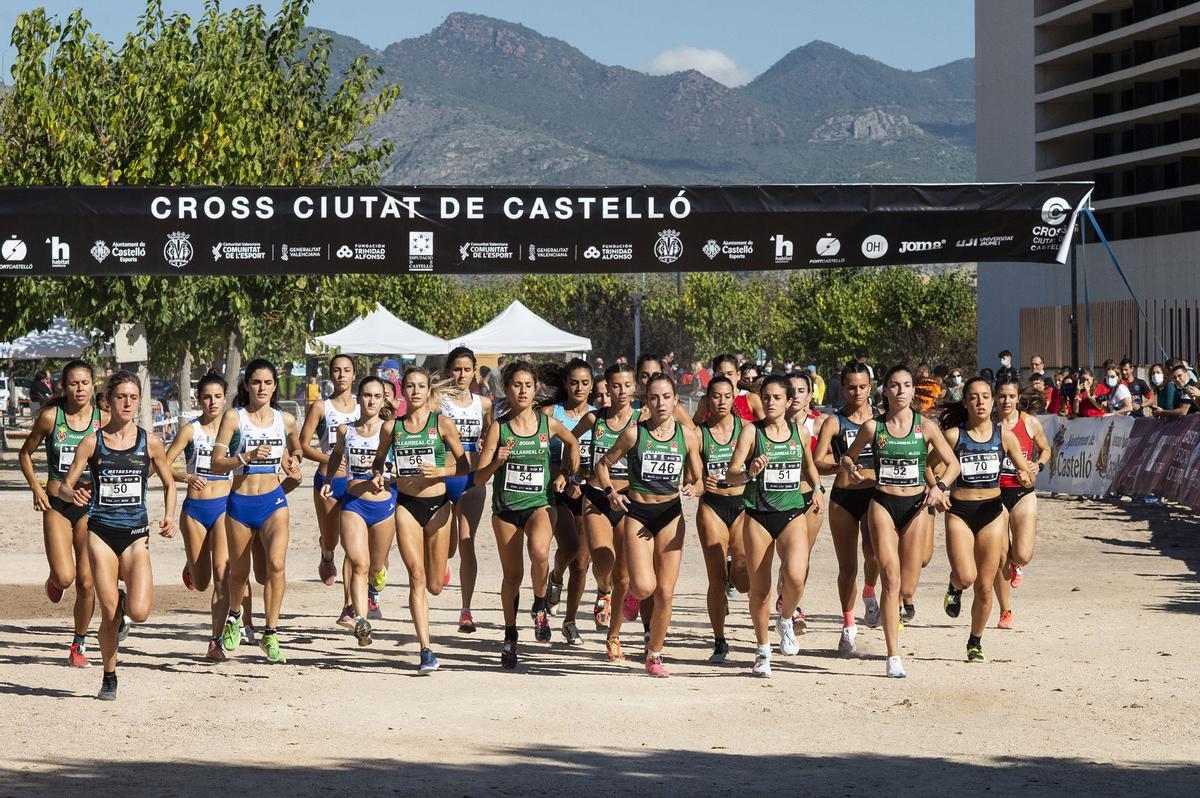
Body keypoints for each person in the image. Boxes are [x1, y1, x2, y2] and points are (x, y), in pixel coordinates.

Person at [58, 371, 177, 700]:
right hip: (100, 532)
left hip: (137, 534)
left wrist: (169, 516)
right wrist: (73, 494)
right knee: (109, 614)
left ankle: (126, 603)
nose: (127, 403)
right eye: (121, 397)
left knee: (139, 613)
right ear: (109, 401)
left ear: (139, 402)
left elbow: (169, 483)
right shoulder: (92, 442)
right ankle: (109, 675)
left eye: (133, 398)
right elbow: (66, 485)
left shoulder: (149, 442)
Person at [839, 365, 961, 678]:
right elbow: (848, 457)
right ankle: (893, 655)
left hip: (916, 505)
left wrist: (939, 487)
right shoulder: (872, 427)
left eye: (907, 385)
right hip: (882, 503)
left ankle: (898, 612)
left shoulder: (927, 426)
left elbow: (953, 465)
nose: (901, 391)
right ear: (886, 390)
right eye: (895, 385)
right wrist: (852, 469)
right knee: (890, 579)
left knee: (907, 586)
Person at [594, 373, 704, 677]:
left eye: (666, 397)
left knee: (666, 593)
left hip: (671, 514)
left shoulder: (688, 436)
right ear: (647, 401)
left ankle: (654, 654)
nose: (660, 403)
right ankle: (633, 594)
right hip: (639, 514)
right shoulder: (634, 434)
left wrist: (696, 487)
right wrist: (610, 492)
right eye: (654, 397)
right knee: (644, 586)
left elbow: (699, 478)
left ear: (676, 400)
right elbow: (603, 464)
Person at [474, 361, 579, 670]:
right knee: (512, 576)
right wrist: (496, 462)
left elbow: (572, 442)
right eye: (516, 385)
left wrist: (567, 475)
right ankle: (510, 636)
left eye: (528, 385)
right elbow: (479, 478)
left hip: (540, 504)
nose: (522, 390)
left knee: (540, 552)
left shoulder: (549, 425)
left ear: (537, 390)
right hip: (506, 511)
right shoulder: (499, 427)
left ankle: (540, 605)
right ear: (507, 389)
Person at [726, 375, 823, 677]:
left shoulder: (800, 433)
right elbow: (731, 473)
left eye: (776, 398)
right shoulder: (751, 432)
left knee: (795, 578)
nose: (770, 403)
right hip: (758, 514)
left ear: (788, 400)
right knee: (761, 588)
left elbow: (808, 465)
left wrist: (818, 488)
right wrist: (748, 472)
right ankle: (763, 650)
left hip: (793, 512)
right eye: (765, 397)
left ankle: (786, 619)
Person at [373, 368, 469, 673]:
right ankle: (426, 649)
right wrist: (380, 476)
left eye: (421, 386)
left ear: (429, 391)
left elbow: (466, 465)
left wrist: (440, 472)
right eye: (410, 386)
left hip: (439, 505)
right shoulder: (392, 428)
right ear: (402, 391)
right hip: (406, 505)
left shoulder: (442, 424)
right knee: (416, 577)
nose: (415, 391)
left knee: (435, 586)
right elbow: (379, 464)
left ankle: (441, 566)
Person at [211, 359, 303, 664]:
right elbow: (216, 462)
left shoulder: (285, 420)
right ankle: (235, 615)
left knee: (276, 565)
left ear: (275, 385)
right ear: (247, 386)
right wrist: (244, 456)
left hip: (274, 502)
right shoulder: (234, 418)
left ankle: (271, 632)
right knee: (239, 573)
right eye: (256, 382)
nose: (261, 388)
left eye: (267, 382)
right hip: (240, 502)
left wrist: (294, 460)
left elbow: (296, 448)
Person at [938, 377, 1034, 663]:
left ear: (993, 401)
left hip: (992, 512)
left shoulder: (1004, 436)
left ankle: (975, 641)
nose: (980, 402)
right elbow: (928, 466)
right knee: (966, 576)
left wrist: (1026, 474)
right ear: (966, 402)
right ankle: (954, 586)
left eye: (985, 397)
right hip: (960, 512)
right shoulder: (954, 436)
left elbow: (1026, 471)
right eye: (974, 397)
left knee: (984, 583)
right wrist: (939, 490)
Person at [18, 360, 104, 668]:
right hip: (56, 502)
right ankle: (54, 579)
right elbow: (24, 453)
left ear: (93, 385)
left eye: (84, 383)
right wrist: (37, 488)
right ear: (63, 387)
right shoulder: (51, 417)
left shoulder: (103, 420)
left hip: (89, 505)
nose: (79, 389)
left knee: (87, 581)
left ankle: (78, 644)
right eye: (73, 383)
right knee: (66, 577)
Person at [164, 371, 246, 660]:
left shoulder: (236, 429)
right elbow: (162, 465)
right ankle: (192, 565)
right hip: (195, 511)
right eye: (207, 397)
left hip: (225, 507)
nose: (212, 402)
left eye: (217, 397)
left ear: (226, 399)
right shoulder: (190, 430)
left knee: (223, 575)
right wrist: (186, 477)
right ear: (199, 400)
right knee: (202, 582)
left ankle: (215, 641)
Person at [318, 377, 394, 649]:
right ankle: (361, 620)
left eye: (377, 396)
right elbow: (337, 455)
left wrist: (387, 476)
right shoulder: (344, 430)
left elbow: (398, 467)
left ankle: (376, 585)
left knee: (376, 567)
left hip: (383, 506)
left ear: (383, 400)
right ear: (358, 398)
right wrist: (328, 480)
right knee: (358, 564)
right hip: (353, 504)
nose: (371, 401)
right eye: (366, 395)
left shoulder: (391, 431)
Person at [813, 361, 881, 655]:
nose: (857, 393)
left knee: (874, 553)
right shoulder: (834, 422)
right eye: (851, 387)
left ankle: (869, 592)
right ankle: (848, 627)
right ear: (842, 388)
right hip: (843, 497)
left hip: (875, 494)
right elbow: (817, 461)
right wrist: (840, 464)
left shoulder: (882, 418)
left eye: (862, 387)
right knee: (847, 567)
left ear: (871, 387)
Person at [571, 363, 635, 659]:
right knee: (601, 557)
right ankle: (603, 590)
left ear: (634, 387)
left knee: (624, 576)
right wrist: (571, 472)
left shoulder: (641, 420)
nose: (621, 391)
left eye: (627, 385)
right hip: (596, 495)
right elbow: (569, 439)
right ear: (607, 388)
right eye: (616, 386)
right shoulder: (594, 419)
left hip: (628, 498)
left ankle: (614, 636)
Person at [299, 355, 359, 622]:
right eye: (337, 370)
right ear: (331, 374)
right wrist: (330, 458)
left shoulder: (365, 405)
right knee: (333, 539)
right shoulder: (321, 408)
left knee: (351, 543)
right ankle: (325, 554)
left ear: (354, 375)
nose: (342, 375)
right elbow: (303, 445)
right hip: (328, 481)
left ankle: (348, 605)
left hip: (357, 481)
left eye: (347, 370)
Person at [440, 347, 494, 634]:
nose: (461, 375)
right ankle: (444, 561)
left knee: (467, 540)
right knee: (447, 544)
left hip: (472, 479)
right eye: (456, 369)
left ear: (475, 370)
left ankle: (466, 610)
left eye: (466, 369)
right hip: (442, 477)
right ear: (449, 370)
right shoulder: (438, 401)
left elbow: (489, 434)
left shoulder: (484, 404)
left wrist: (486, 445)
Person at [696, 376, 748, 663]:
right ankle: (719, 641)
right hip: (712, 507)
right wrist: (700, 482)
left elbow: (760, 466)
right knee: (715, 579)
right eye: (716, 396)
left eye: (727, 396)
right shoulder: (699, 434)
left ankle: (733, 571)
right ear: (707, 399)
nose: (722, 401)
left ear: (734, 398)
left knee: (743, 579)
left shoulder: (747, 430)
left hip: (741, 506)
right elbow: (690, 474)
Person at [992, 375, 1051, 629]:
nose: (1007, 401)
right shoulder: (987, 423)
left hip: (1022, 491)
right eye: (1002, 396)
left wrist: (1037, 465)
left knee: (1022, 554)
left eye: (1012, 396)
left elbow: (1046, 449)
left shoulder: (1030, 423)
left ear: (1018, 398)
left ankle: (1018, 565)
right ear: (995, 397)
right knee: (1000, 554)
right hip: (994, 495)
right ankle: (1005, 611)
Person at [542, 359, 594, 645]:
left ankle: (570, 622)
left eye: (585, 382)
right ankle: (556, 576)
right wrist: (565, 478)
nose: (579, 388)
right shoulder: (552, 412)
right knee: (569, 549)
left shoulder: (598, 416)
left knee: (583, 563)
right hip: (557, 489)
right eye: (574, 382)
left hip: (588, 492)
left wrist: (582, 481)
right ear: (565, 383)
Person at [782, 371, 826, 630]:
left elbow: (826, 460)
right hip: (780, 498)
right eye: (792, 390)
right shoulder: (771, 424)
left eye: (802, 390)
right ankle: (783, 597)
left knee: (802, 557)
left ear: (810, 395)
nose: (797, 395)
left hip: (810, 496)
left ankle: (792, 605)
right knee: (787, 557)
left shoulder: (819, 425)